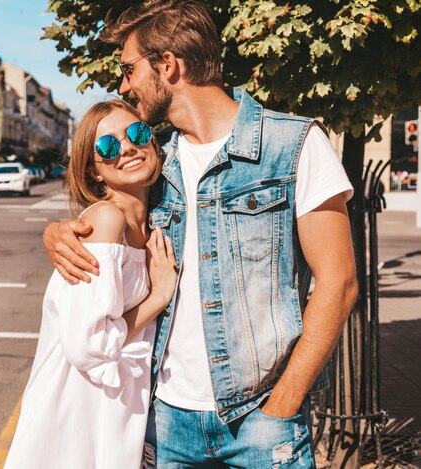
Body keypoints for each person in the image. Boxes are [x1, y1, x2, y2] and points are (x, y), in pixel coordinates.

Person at [43, 1, 359, 467]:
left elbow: (340, 284)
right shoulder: (156, 163)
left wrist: (283, 406)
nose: (123, 85)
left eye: (129, 69)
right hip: (165, 421)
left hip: (261, 421)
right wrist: (56, 233)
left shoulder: (292, 145)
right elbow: (111, 219)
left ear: (167, 65)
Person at [4, 100, 178, 469]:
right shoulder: (106, 219)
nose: (127, 148)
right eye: (108, 147)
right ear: (94, 171)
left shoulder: (151, 222)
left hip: (110, 406)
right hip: (75, 414)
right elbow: (89, 346)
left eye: (137, 133)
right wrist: (159, 296)